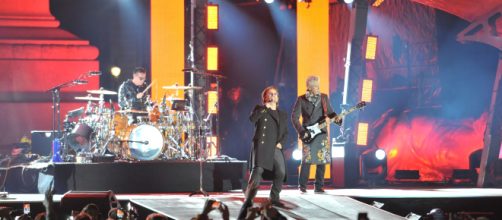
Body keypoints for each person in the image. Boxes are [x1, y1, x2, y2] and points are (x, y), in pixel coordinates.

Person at [238, 86, 288, 220]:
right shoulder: (259, 109)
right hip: (262, 145)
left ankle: (274, 198)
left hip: (275, 147)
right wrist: (265, 107)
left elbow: (285, 132)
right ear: (265, 97)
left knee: (281, 172)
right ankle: (249, 200)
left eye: (275, 94)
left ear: (278, 97)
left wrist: (281, 143)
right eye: (270, 94)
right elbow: (252, 120)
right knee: (258, 171)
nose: (273, 96)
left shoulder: (282, 114)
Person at [292, 75, 341, 193]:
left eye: (318, 85)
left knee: (322, 160)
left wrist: (337, 119)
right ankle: (302, 186)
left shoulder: (324, 98)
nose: (317, 87)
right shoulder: (301, 99)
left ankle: (319, 186)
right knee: (306, 160)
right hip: (308, 133)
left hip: (322, 132)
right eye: (314, 86)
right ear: (308, 87)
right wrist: (302, 131)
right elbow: (294, 117)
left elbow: (330, 112)